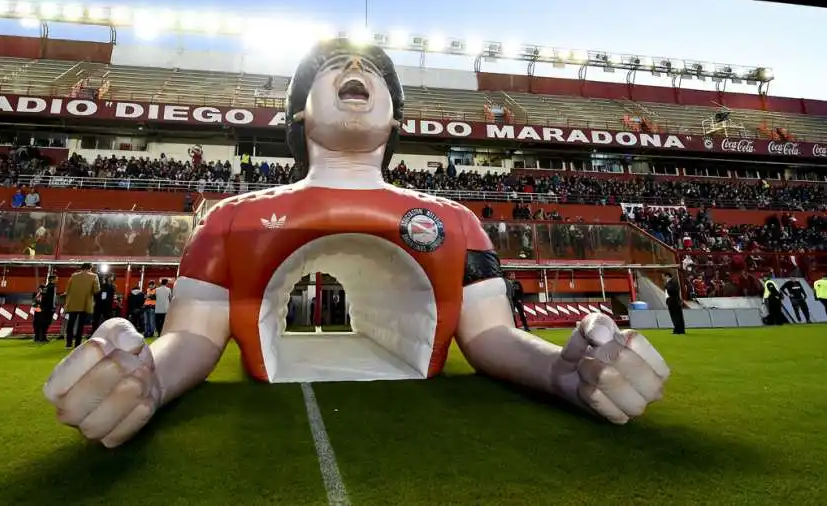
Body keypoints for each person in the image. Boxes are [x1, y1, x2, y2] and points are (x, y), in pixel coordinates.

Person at [44, 38, 671, 449]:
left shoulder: (456, 223)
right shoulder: (228, 220)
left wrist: (558, 370)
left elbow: (488, 337)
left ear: (395, 118)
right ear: (299, 114)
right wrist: (147, 373)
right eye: (336, 68)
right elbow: (196, 338)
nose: (355, 71)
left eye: (371, 69)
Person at [62, 263, 99, 349]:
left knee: (70, 323)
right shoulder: (94, 276)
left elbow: (67, 289)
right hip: (85, 303)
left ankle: (68, 343)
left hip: (73, 302)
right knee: (80, 325)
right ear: (90, 268)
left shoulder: (73, 276)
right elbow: (96, 290)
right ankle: (77, 344)